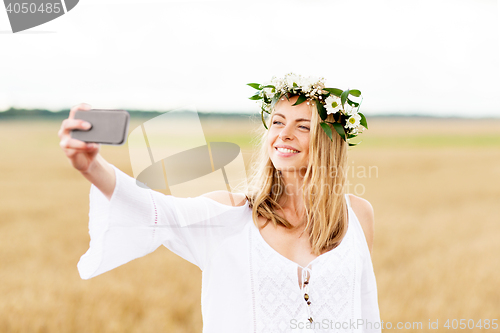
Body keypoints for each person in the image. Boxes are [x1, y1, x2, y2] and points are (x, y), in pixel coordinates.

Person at [58, 73, 381, 333]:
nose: (284, 134)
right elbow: (157, 211)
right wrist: (91, 166)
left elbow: (365, 310)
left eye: (303, 126)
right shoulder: (230, 213)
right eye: (278, 122)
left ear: (330, 140)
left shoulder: (356, 214)